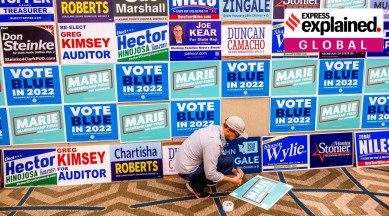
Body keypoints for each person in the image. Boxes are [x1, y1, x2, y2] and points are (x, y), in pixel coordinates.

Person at [174, 116, 247, 198]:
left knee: (228, 160)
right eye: (237, 135)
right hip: (187, 172)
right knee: (227, 161)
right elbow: (210, 173)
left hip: (185, 164)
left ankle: (205, 180)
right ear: (229, 130)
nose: (236, 138)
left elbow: (219, 155)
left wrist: (233, 169)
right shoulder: (213, 142)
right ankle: (195, 185)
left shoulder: (216, 129)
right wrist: (232, 180)